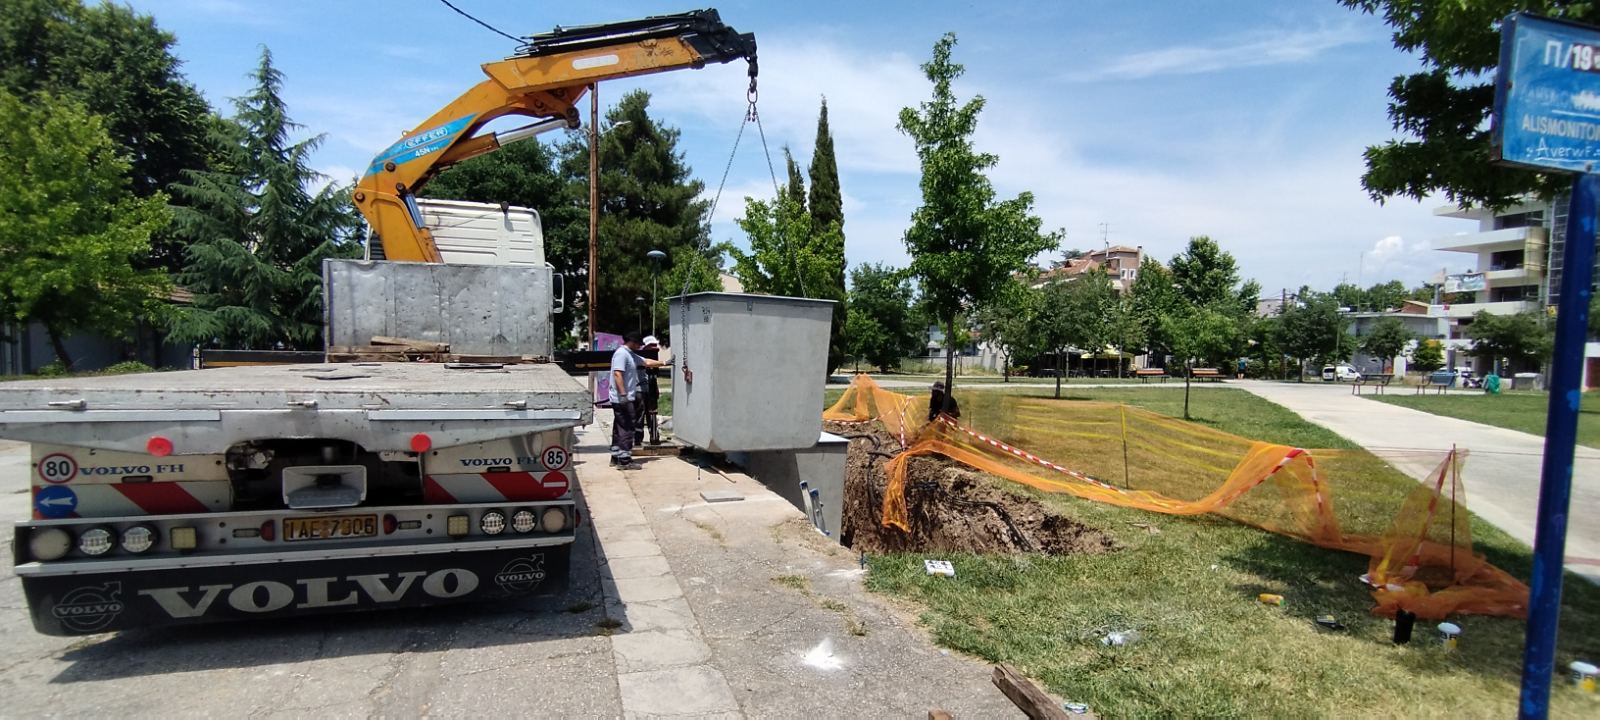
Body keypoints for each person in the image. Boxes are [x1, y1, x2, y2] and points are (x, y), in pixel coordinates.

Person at [609, 332, 662, 468]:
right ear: (631, 341)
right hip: (623, 398)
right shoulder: (622, 354)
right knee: (627, 428)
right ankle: (625, 460)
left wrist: (665, 363)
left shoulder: (630, 354)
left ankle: (616, 456)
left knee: (619, 427)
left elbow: (647, 362)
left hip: (623, 398)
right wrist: (623, 395)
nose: (639, 346)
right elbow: (617, 374)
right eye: (638, 343)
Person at [634, 336, 664, 446]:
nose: (654, 348)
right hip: (640, 390)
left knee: (652, 415)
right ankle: (637, 439)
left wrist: (656, 389)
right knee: (640, 415)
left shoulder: (654, 357)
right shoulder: (640, 358)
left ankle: (654, 438)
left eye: (655, 345)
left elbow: (654, 376)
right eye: (652, 345)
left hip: (650, 389)